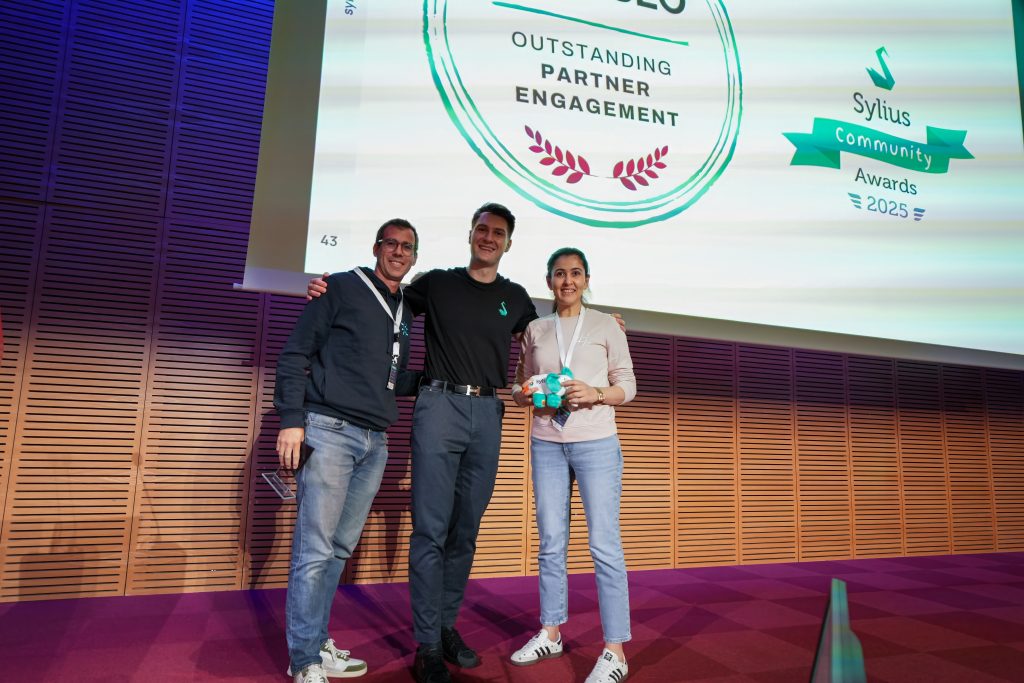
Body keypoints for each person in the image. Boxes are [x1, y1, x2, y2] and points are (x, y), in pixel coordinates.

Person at [308, 203, 539, 683]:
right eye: (481, 229)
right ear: (470, 234)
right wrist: (326, 289)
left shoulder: (516, 297)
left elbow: (549, 340)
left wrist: (605, 325)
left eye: (498, 233)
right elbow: (380, 295)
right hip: (438, 408)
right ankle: (427, 642)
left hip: (489, 413)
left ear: (509, 242)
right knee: (431, 530)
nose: (489, 238)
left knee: (465, 531)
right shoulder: (435, 283)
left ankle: (447, 625)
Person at [276, 219, 422, 683]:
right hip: (329, 430)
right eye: (391, 244)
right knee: (315, 549)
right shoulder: (339, 287)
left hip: (374, 441)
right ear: (377, 247)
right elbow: (296, 353)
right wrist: (291, 422)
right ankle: (303, 661)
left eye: (407, 247)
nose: (398, 252)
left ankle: (317, 643)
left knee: (338, 549)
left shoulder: (405, 307)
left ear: (415, 258)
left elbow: (389, 376)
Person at [509, 247, 636, 683]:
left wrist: (596, 392)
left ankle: (615, 650)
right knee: (550, 542)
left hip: (596, 442)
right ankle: (550, 630)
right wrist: (522, 395)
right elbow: (521, 383)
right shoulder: (535, 329)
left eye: (575, 273)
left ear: (586, 279)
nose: (567, 281)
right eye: (559, 274)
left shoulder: (605, 325)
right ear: (549, 281)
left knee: (604, 545)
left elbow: (628, 385)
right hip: (546, 442)